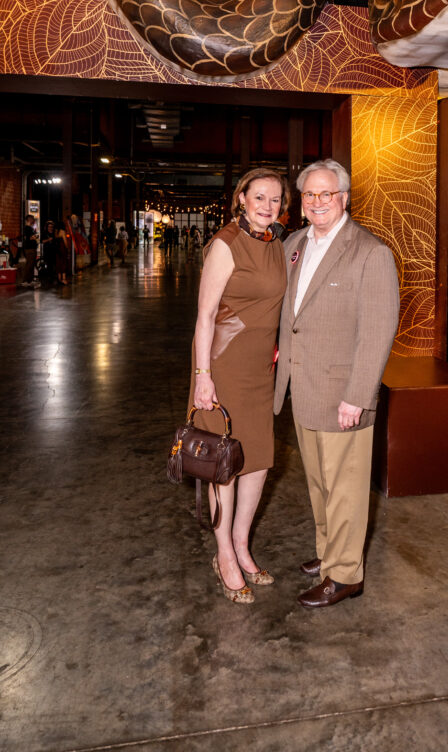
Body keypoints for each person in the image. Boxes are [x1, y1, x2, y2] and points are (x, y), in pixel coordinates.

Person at [274, 159, 400, 609]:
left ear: (344, 198)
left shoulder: (370, 252)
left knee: (345, 487)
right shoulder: (293, 243)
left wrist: (358, 396)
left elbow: (378, 330)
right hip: (302, 386)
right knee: (319, 483)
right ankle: (330, 553)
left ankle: (345, 574)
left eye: (326, 194)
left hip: (343, 394)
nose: (317, 202)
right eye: (309, 194)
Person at [189, 168, 289, 605]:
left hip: (260, 370)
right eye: (260, 197)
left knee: (259, 461)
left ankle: (243, 544)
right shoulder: (226, 244)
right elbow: (205, 317)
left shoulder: (278, 245)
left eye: (276, 199)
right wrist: (202, 377)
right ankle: (224, 554)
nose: (268, 206)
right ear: (242, 199)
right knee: (223, 466)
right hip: (224, 368)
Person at [21, 214, 38, 286]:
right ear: (29, 220)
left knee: (32, 264)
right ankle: (25, 281)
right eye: (32, 219)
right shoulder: (27, 228)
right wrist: (34, 237)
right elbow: (27, 238)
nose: (33, 220)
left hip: (32, 248)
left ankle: (30, 280)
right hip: (29, 249)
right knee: (29, 264)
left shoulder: (31, 228)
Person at [41, 220, 57, 284]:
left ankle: (53, 276)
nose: (50, 228)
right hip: (47, 251)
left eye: (52, 227)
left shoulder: (54, 233)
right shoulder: (44, 233)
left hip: (53, 251)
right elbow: (42, 241)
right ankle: (49, 277)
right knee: (49, 264)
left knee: (53, 264)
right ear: (47, 227)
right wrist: (48, 240)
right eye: (49, 227)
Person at [55, 221, 69, 285]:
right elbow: (65, 242)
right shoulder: (62, 231)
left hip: (57, 249)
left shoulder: (56, 232)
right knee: (64, 263)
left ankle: (59, 279)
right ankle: (64, 279)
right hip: (62, 248)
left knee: (58, 263)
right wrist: (67, 248)